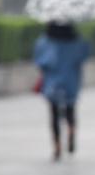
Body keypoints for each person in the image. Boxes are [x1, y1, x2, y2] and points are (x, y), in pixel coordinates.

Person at [33, 22, 90, 161]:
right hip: (71, 80)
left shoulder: (46, 42)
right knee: (70, 109)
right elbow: (84, 54)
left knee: (53, 113)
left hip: (53, 81)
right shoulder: (76, 40)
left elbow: (41, 61)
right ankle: (71, 130)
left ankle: (57, 145)